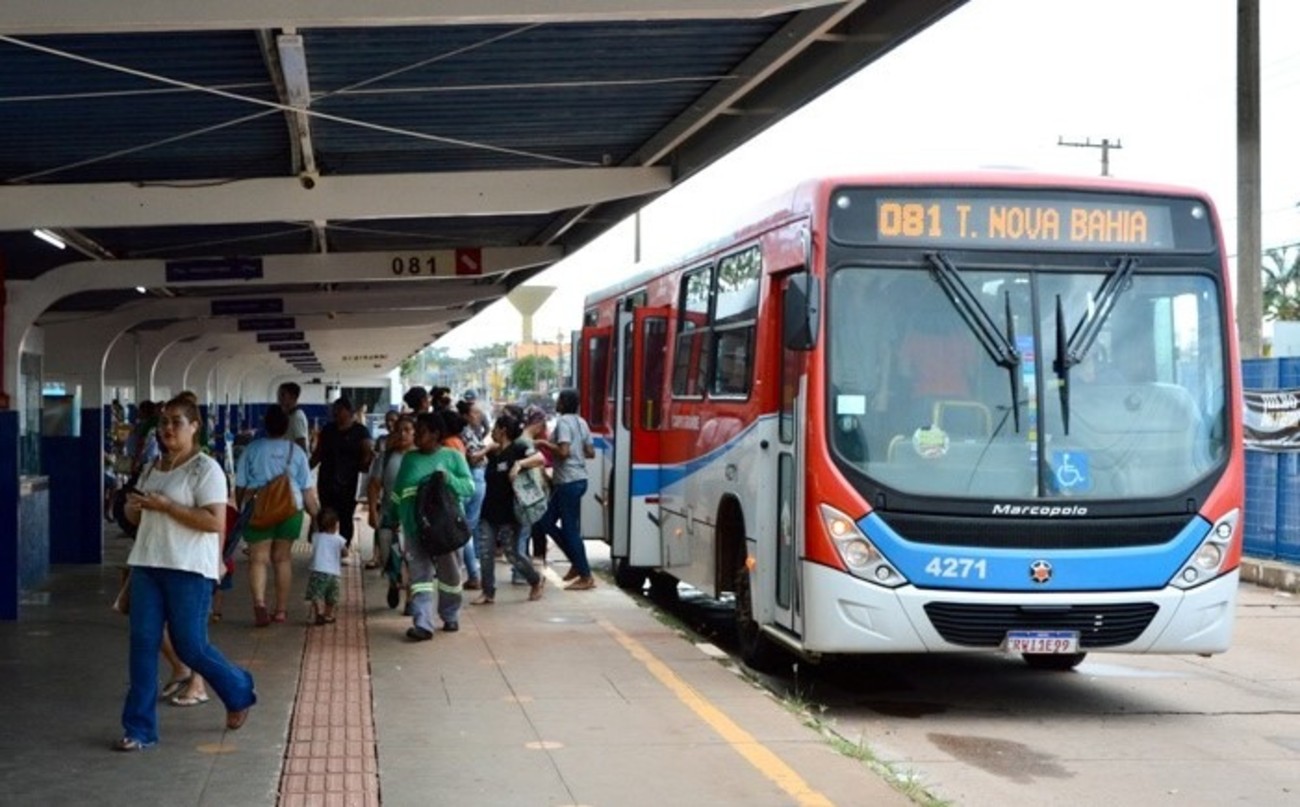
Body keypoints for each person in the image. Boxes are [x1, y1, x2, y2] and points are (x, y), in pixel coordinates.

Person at [117, 395, 256, 751]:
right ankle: (139, 728)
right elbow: (138, 519)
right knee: (143, 644)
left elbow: (213, 521)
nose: (167, 429)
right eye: (163, 422)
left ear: (194, 426)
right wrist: (135, 509)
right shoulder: (152, 468)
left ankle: (238, 689)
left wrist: (167, 506)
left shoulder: (205, 470)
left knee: (191, 645)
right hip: (148, 563)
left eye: (176, 422)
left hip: (189, 569)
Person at [389, 412, 475, 641]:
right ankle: (423, 623)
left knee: (451, 575)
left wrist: (448, 479)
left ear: (436, 435)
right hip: (415, 528)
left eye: (421, 432)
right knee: (420, 578)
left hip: (446, 529)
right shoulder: (410, 459)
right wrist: (391, 518)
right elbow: (398, 493)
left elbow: (469, 488)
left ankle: (450, 615)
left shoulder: (453, 457)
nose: (416, 436)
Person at [235, 405, 318, 627]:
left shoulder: (252, 449)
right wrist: (316, 517)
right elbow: (307, 491)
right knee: (282, 559)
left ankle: (260, 605)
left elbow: (240, 485)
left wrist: (240, 508)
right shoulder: (297, 452)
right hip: (290, 511)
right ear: (286, 426)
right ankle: (281, 611)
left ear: (265, 425)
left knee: (258, 559)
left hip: (259, 509)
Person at [472, 413, 546, 604]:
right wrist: (484, 450)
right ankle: (488, 592)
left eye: (495, 428)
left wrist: (519, 465)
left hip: (511, 514)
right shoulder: (494, 452)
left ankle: (535, 580)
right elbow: (480, 455)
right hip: (489, 511)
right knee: (486, 553)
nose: (492, 432)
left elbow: (540, 458)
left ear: (503, 430)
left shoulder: (519, 448)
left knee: (512, 554)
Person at [533, 389, 597, 590]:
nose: (556, 403)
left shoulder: (563, 423)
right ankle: (577, 564)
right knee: (549, 522)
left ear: (565, 402)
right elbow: (590, 451)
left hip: (568, 481)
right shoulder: (582, 422)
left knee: (568, 529)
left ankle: (585, 574)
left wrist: (543, 443)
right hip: (579, 479)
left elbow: (564, 451)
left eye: (559, 400)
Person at [310, 397, 374, 561]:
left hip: (349, 482)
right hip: (327, 480)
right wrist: (305, 468)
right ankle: (326, 547)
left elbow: (367, 455)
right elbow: (318, 453)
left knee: (346, 516)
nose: (335, 413)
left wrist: (363, 476)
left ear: (349, 411)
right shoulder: (328, 430)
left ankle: (343, 548)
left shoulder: (361, 431)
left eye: (338, 410)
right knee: (326, 515)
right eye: (334, 410)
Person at [367, 414, 416, 610]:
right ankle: (394, 583)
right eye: (399, 430)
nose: (403, 434)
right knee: (389, 555)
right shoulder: (386, 456)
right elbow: (374, 485)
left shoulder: (420, 456)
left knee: (411, 558)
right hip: (388, 515)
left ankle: (411, 598)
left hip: (412, 518)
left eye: (408, 430)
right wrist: (372, 510)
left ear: (415, 433)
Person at [305, 507, 346, 626]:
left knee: (316, 593)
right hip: (334, 573)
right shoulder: (339, 539)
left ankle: (319, 612)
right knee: (331, 596)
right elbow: (345, 552)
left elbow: (310, 537)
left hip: (318, 570)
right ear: (336, 525)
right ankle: (329, 615)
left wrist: (313, 521)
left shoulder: (316, 537)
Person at [277, 382, 310, 452]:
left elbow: (301, 443)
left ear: (293, 397)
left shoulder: (296, 417)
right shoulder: (289, 416)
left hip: (295, 460)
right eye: (279, 395)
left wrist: (303, 461)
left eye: (283, 395)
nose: (279, 398)